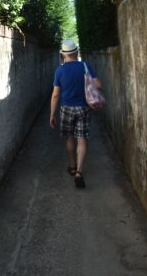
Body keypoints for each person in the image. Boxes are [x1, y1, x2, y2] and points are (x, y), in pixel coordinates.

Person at [50, 40, 102, 188]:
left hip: (66, 108)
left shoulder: (59, 71)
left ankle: (72, 167)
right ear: (77, 53)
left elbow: (55, 95)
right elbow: (99, 85)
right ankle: (79, 171)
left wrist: (52, 114)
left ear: (62, 55)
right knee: (82, 138)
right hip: (83, 108)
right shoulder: (85, 66)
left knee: (69, 137)